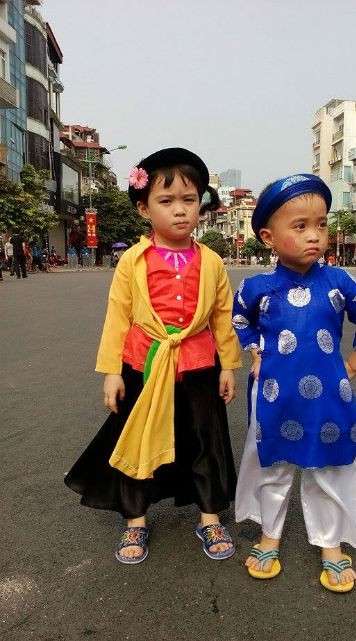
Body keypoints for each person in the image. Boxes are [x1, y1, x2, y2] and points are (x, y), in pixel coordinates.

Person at [64, 147, 242, 564]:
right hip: (143, 364)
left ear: (202, 205)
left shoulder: (212, 262)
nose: (179, 211)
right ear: (145, 208)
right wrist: (112, 371)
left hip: (199, 364)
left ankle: (209, 516)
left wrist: (229, 365)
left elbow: (223, 317)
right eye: (166, 201)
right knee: (139, 438)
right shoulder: (133, 260)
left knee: (204, 440)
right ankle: (135, 522)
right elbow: (118, 317)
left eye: (189, 200)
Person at [231, 173, 356, 593]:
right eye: (299, 227)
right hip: (274, 397)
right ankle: (269, 538)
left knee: (329, 466)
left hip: (328, 399)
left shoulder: (341, 282)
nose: (313, 236)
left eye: (320, 224)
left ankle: (330, 544)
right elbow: (239, 318)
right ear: (268, 235)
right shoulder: (257, 287)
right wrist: (253, 350)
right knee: (273, 465)